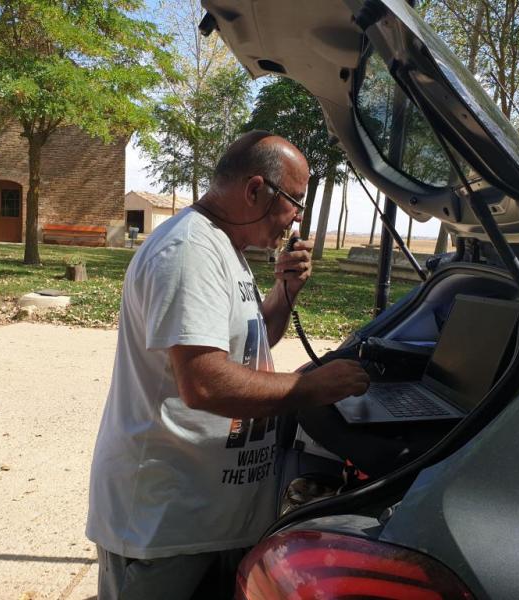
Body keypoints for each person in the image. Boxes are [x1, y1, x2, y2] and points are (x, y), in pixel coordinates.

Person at [86, 130, 370, 599]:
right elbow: (205, 383)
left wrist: (285, 291)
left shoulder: (225, 248)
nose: (298, 216)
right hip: (165, 525)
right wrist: (309, 388)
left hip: (209, 518)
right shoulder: (189, 252)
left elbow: (251, 342)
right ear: (256, 189)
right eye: (295, 201)